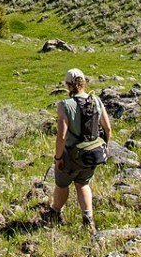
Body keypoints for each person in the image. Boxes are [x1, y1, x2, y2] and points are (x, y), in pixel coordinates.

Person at [47, 68, 112, 232]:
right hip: (92, 154)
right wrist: (103, 147)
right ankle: (88, 219)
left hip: (71, 154)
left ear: (68, 86)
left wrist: (58, 157)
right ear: (84, 83)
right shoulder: (96, 101)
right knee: (83, 184)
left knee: (62, 185)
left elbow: (62, 135)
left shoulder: (64, 105)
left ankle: (55, 213)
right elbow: (108, 129)